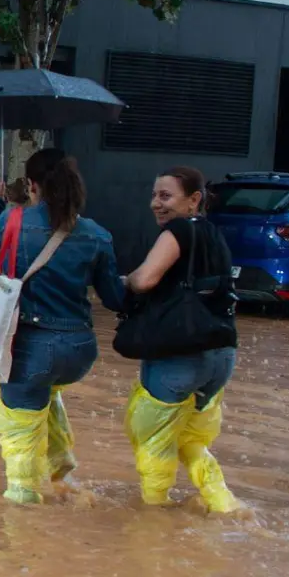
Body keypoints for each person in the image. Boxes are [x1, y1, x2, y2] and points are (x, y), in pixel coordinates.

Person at [0, 148, 125, 504]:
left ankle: (24, 509)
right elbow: (115, 298)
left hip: (32, 350)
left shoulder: (15, 220)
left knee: (18, 429)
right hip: (79, 351)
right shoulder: (97, 234)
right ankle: (60, 471)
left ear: (32, 185)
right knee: (46, 394)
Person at [121, 167, 241, 513]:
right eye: (154, 195)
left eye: (165, 196)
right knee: (190, 440)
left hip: (180, 355)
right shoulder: (214, 235)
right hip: (220, 358)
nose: (156, 204)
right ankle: (223, 504)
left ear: (194, 199)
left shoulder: (177, 231)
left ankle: (155, 517)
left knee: (152, 440)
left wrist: (125, 280)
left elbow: (145, 279)